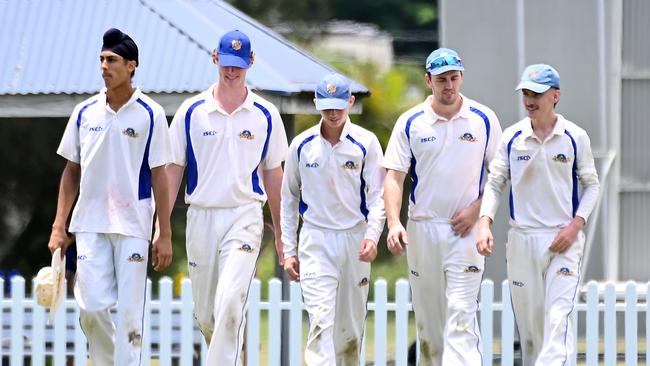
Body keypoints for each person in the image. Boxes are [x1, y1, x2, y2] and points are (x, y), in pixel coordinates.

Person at [47, 28, 173, 365]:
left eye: (112, 60)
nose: (104, 66)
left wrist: (165, 231)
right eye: (102, 59)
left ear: (131, 65)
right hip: (89, 223)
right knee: (90, 308)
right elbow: (71, 170)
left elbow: (161, 174)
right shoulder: (84, 112)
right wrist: (60, 225)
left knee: (132, 316)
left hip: (134, 225)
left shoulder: (151, 114)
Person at [166, 29, 288, 365]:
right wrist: (160, 227)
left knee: (231, 303)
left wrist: (281, 234)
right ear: (215, 58)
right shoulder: (192, 111)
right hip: (201, 216)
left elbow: (274, 175)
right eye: (226, 63)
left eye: (239, 65)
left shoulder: (266, 115)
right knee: (209, 316)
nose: (231, 71)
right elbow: (174, 170)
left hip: (244, 216)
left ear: (250, 62)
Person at [383, 47, 502, 365]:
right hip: (423, 229)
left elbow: (501, 175)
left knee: (462, 319)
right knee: (430, 327)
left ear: (461, 77)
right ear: (428, 80)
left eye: (453, 78)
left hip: (465, 234)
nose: (448, 86)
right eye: (441, 80)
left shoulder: (483, 119)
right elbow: (394, 177)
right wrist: (394, 222)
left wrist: (478, 212)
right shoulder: (411, 122)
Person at [476, 64, 600, 365]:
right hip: (522, 240)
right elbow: (494, 183)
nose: (530, 101)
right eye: (526, 94)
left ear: (556, 95)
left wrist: (575, 226)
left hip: (564, 241)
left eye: (538, 94)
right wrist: (485, 223)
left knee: (558, 320)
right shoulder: (512, 136)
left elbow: (592, 186)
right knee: (531, 331)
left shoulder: (575, 136)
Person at [281, 73, 385, 365]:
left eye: (339, 105)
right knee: (320, 321)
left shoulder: (366, 143)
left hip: (355, 238)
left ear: (351, 102)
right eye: (327, 106)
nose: (333, 112)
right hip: (316, 240)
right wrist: (289, 250)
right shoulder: (301, 145)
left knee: (350, 332)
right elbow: (288, 197)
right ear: (316, 104)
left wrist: (372, 236)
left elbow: (377, 195)